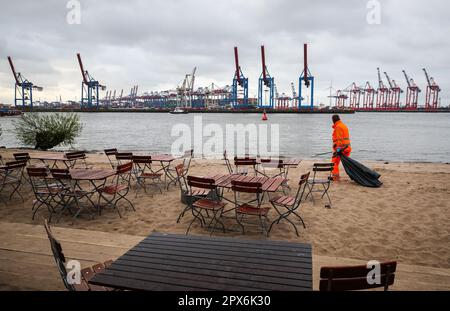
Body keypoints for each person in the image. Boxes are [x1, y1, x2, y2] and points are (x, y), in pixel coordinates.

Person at [331, 115, 351, 179]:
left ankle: (335, 177)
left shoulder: (338, 127)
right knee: (347, 163)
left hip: (342, 149)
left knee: (334, 162)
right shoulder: (343, 125)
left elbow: (339, 140)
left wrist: (337, 150)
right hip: (347, 148)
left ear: (333, 120)